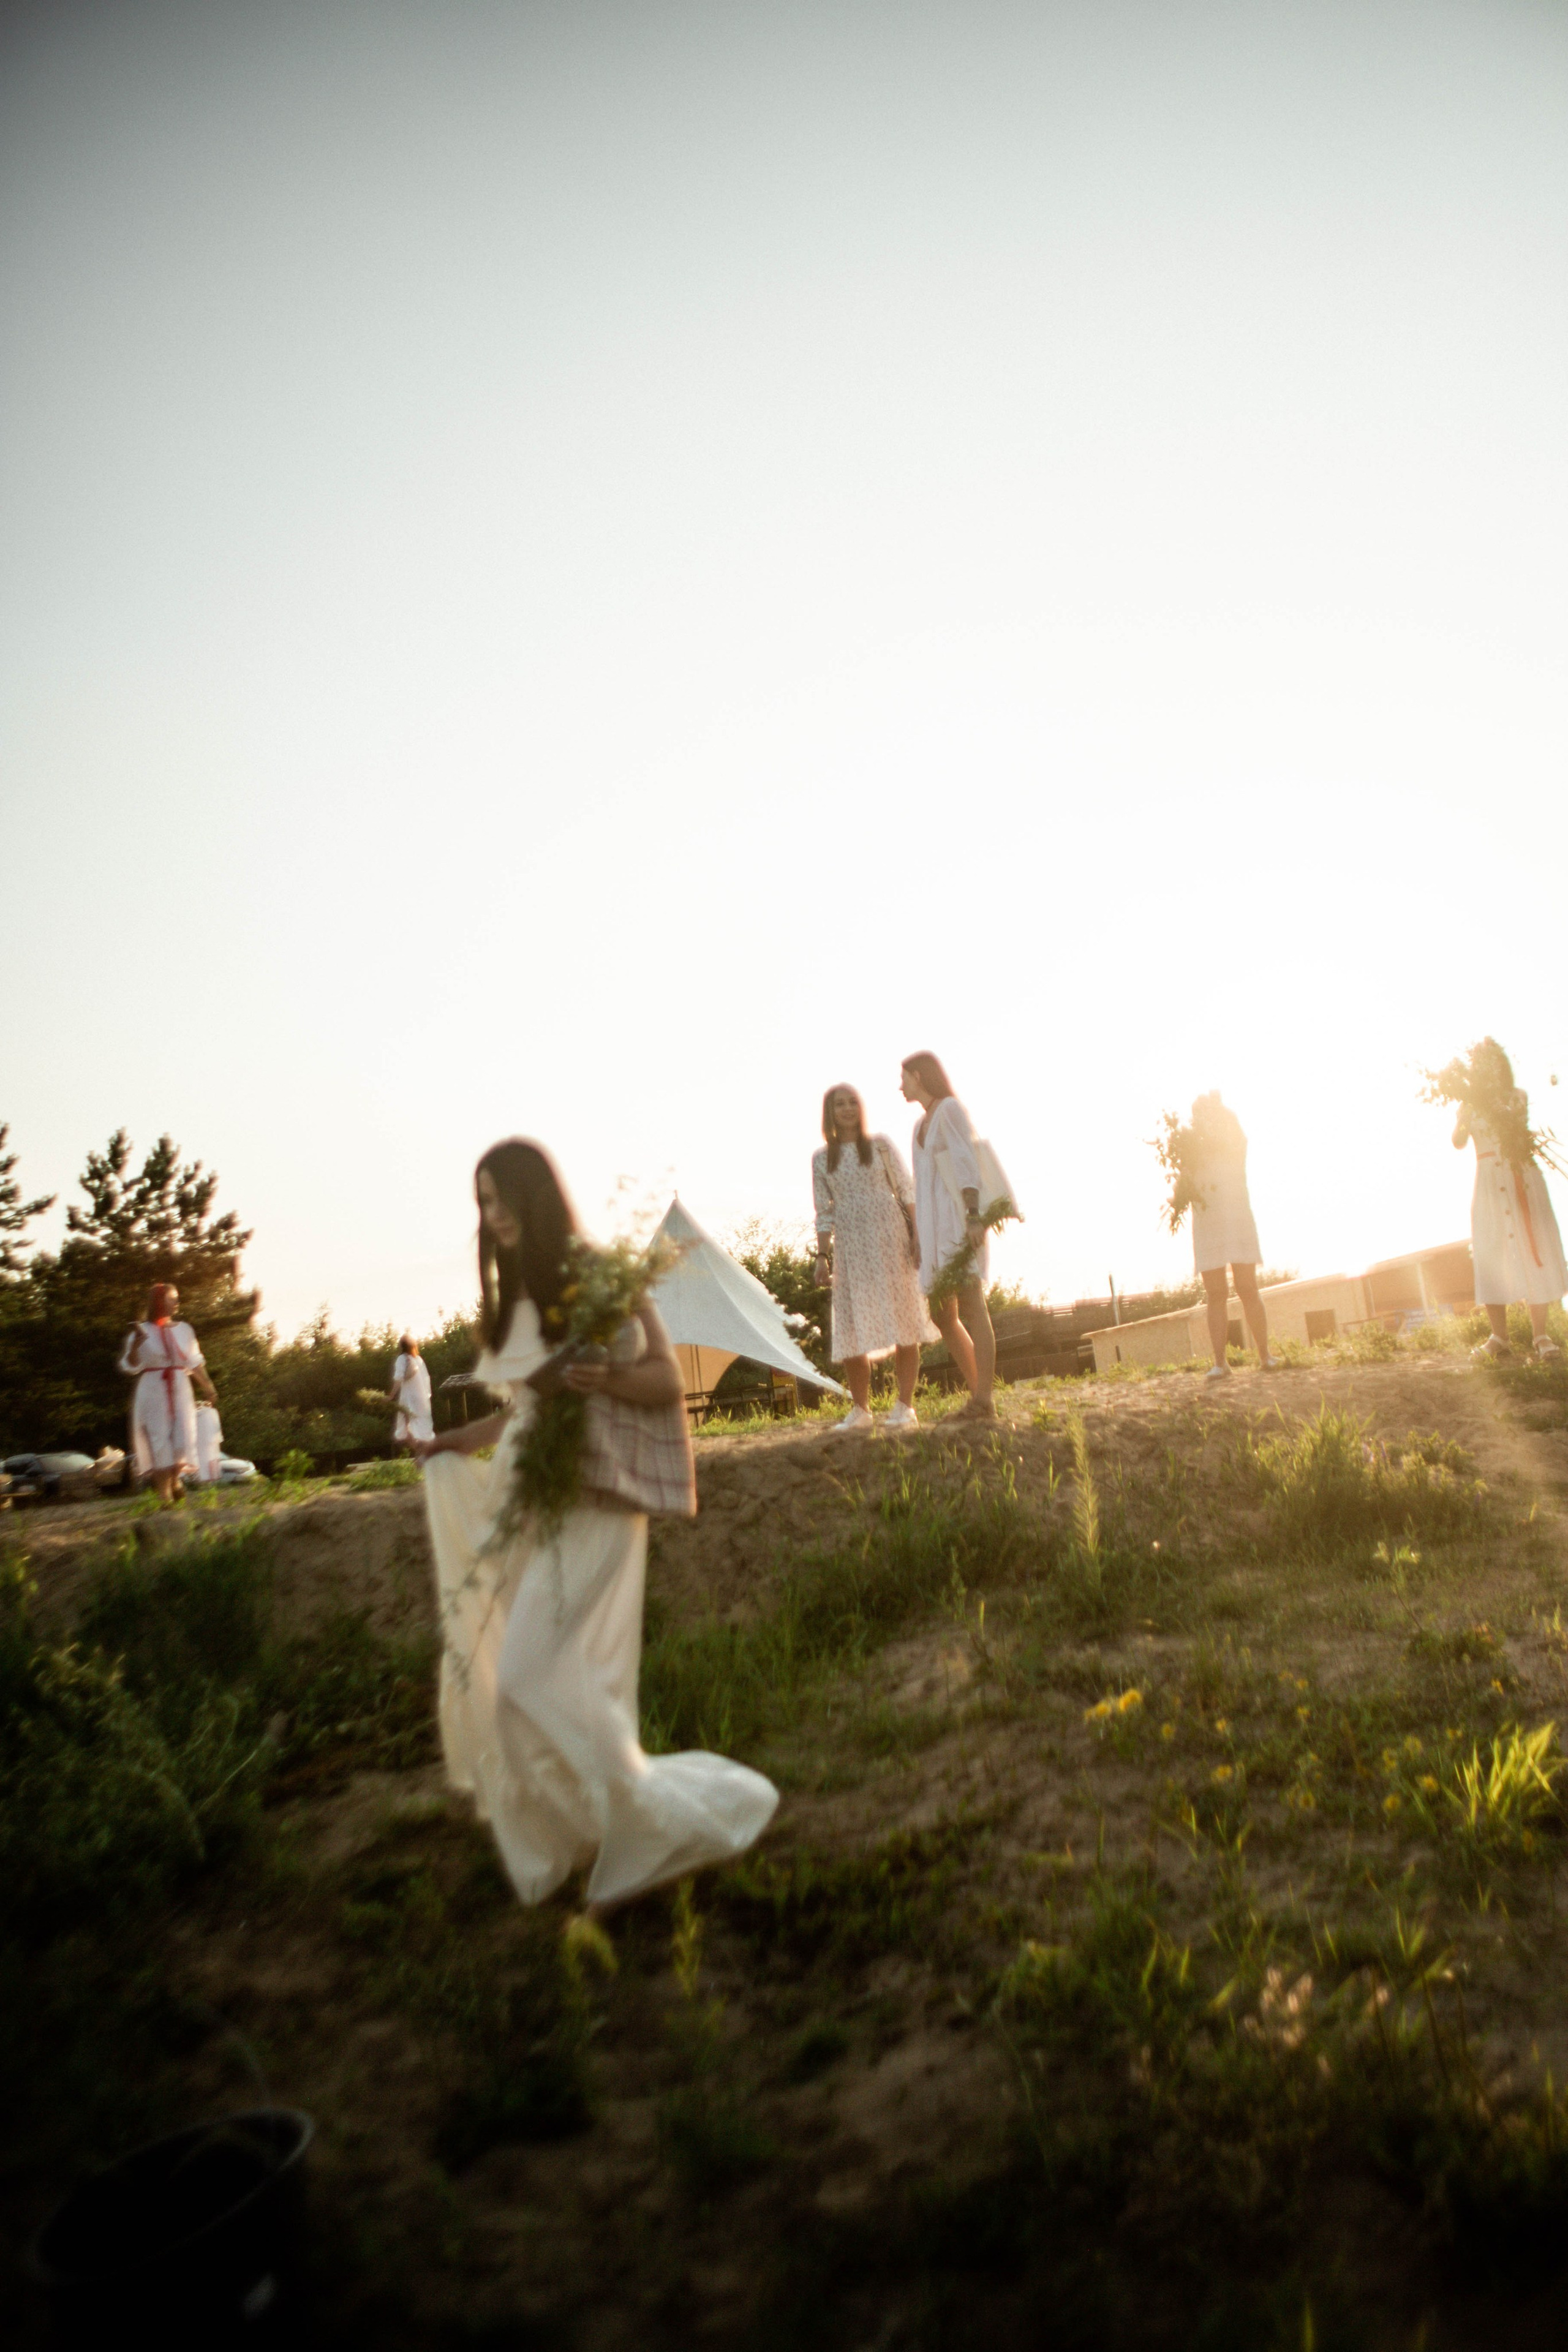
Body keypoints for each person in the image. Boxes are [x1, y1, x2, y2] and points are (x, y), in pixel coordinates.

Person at [413, 1138, 778, 1912]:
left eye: (502, 1197)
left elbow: (664, 1378)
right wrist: (452, 1442)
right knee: (548, 1679)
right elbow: (524, 1410)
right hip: (534, 1496)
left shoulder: (603, 1275)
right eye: (482, 1203)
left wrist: (604, 1375)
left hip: (596, 1498)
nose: (494, 1215)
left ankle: (659, 1814)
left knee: (521, 1680)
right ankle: (590, 1827)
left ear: (535, 1195)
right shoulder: (514, 1297)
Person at [812, 1084, 936, 1435]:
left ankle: (905, 1404)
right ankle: (861, 1408)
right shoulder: (822, 1159)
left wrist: (916, 1235)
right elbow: (824, 1211)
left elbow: (906, 1189)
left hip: (889, 1235)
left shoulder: (879, 1145)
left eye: (853, 1102)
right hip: (851, 1245)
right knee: (851, 1324)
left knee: (904, 1317)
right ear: (830, 1112)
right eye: (840, 1104)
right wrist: (822, 1256)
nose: (848, 1109)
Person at [1451, 1041, 1566, 1360]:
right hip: (1488, 1178)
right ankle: (1499, 1337)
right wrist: (1462, 1118)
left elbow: (1518, 1132)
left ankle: (1541, 1335)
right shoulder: (1469, 1103)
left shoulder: (1517, 1097)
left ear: (1501, 1066)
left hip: (1520, 1177)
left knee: (1534, 1248)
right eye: (1481, 1064)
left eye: (1492, 1063)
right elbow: (1458, 1142)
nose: (1487, 1069)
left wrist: (1500, 1111)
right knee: (1491, 1250)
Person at [899, 1052, 998, 1420]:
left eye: (905, 1077)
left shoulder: (951, 1109)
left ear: (921, 1077)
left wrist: (974, 1217)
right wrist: (919, 1237)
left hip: (957, 1223)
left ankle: (983, 1399)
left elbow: (965, 1162)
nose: (901, 1085)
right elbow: (921, 1185)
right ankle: (979, 1394)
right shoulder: (919, 1126)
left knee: (973, 1305)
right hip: (933, 1230)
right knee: (942, 1315)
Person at [1186, 1091, 1275, 1380]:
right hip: (1208, 1226)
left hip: (1237, 1220)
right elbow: (1182, 1190)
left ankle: (1265, 1355)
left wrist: (1218, 1106)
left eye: (1209, 1115)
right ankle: (1220, 1363)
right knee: (1216, 1294)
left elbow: (1239, 1133)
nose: (1204, 1121)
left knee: (1248, 1287)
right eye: (1200, 1116)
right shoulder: (1190, 1152)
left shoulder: (1234, 1146)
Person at [119, 1282, 218, 1503]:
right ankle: (164, 1496)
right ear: (159, 1302)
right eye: (173, 1298)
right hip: (153, 1386)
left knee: (184, 1437)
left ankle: (175, 1479)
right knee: (159, 1438)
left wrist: (208, 1385)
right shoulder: (141, 1331)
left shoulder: (185, 1330)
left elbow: (194, 1361)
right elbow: (131, 1365)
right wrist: (136, 1345)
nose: (177, 1303)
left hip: (180, 1385)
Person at [389, 1333, 435, 1449]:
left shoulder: (402, 1359)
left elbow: (398, 1379)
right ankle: (425, 1453)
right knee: (420, 1430)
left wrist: (390, 1397)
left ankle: (421, 1453)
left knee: (406, 1430)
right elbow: (426, 1379)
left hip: (409, 1398)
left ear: (401, 1346)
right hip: (421, 1399)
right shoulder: (419, 1360)